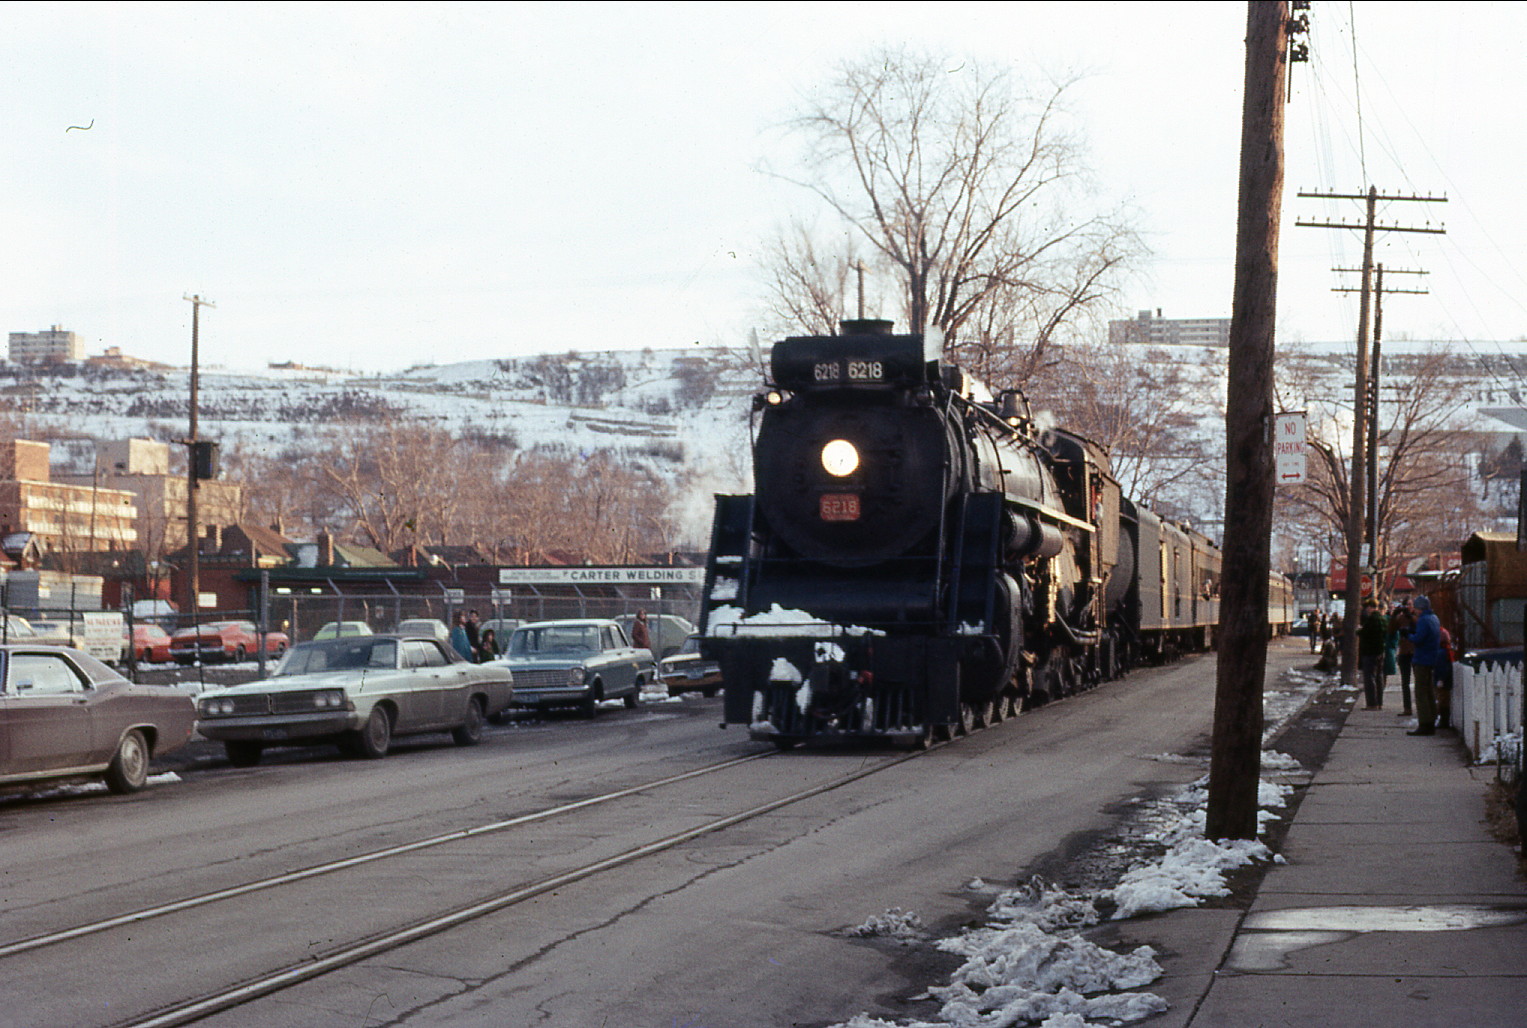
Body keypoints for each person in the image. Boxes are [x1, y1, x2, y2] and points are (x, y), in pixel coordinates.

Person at [1408, 594, 1442, 736]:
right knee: (1429, 691)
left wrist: (1408, 635)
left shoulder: (1423, 620)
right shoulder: (1434, 619)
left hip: (1422, 659)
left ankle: (1424, 723)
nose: (1414, 610)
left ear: (1420, 608)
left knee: (1421, 693)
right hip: (1432, 658)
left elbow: (1418, 639)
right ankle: (1431, 719)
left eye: (1415, 608)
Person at [1357, 598, 1388, 709]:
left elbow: (1363, 633)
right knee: (1379, 677)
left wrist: (1359, 630)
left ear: (1370, 607)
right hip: (1380, 651)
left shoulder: (1371, 620)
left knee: (1369, 678)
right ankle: (1379, 702)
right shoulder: (1383, 619)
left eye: (1367, 608)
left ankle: (1371, 703)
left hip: (1370, 652)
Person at [1390, 599, 1417, 716]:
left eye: (1410, 605)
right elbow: (1390, 630)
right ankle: (1407, 708)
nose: (1408, 607)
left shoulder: (1417, 617)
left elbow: (1418, 625)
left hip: (1416, 652)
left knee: (1419, 682)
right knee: (1405, 682)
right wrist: (1394, 615)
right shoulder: (1401, 619)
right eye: (1406, 605)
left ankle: (1419, 707)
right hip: (1404, 652)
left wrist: (1410, 616)